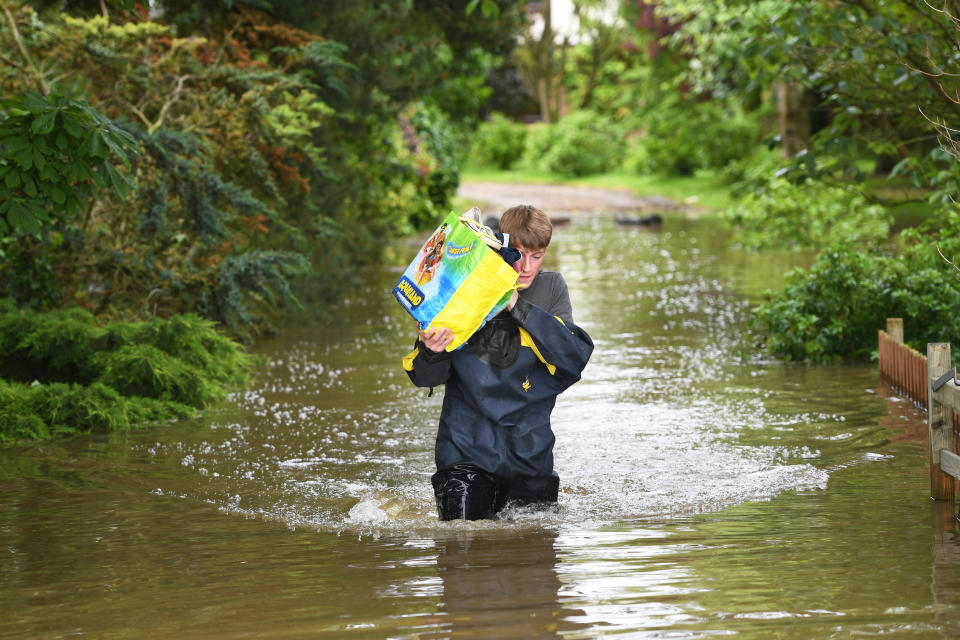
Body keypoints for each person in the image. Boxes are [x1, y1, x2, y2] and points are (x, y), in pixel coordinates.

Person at [402, 204, 594, 520]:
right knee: (461, 551)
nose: (527, 267)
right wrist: (431, 350)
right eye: (519, 255)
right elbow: (424, 378)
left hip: (529, 455)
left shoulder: (551, 288)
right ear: (501, 248)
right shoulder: (459, 290)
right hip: (464, 452)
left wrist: (516, 305)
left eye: (538, 255)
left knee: (533, 552)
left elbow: (572, 359)